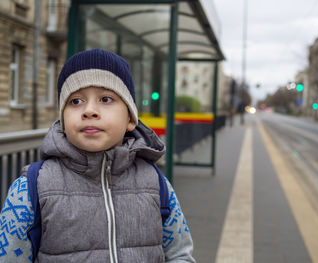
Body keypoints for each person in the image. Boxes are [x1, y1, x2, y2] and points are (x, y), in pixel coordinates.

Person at [0, 49, 195, 262]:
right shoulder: (30, 189)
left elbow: (179, 255)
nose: (89, 110)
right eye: (75, 101)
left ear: (131, 118)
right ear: (63, 121)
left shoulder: (157, 185)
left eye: (106, 98)